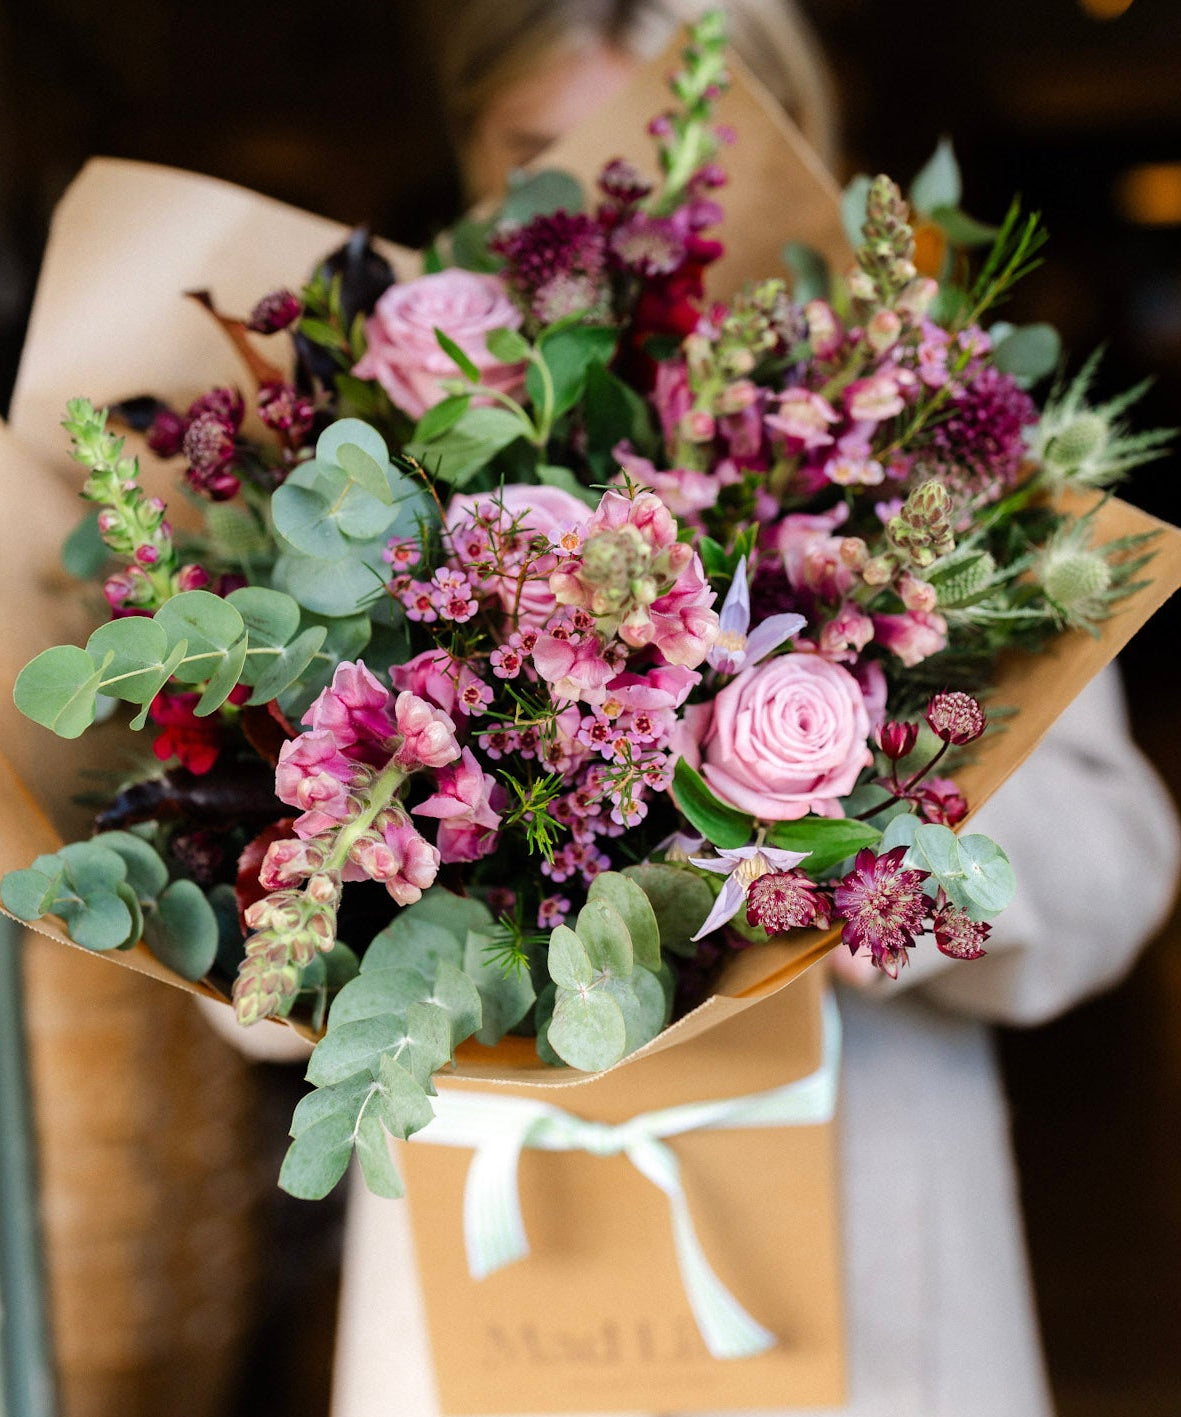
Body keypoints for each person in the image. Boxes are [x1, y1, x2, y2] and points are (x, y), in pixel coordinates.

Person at [203, 3, 1181, 1413]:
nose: (617, 217)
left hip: (863, 1278)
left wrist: (864, 856)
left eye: (675, 154)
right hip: (493, 1270)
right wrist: (347, 881)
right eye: (545, 153)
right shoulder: (346, 483)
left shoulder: (925, 475)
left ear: (780, 155)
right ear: (475, 160)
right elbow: (240, 982)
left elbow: (1119, 856)